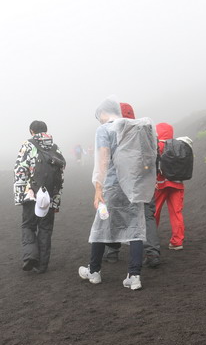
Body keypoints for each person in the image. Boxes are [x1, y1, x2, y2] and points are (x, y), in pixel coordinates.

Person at [78, 95, 156, 290]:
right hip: (134, 185)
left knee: (100, 227)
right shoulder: (134, 126)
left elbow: (103, 159)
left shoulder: (104, 129)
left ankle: (94, 271)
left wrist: (98, 187)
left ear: (104, 113)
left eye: (99, 116)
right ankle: (134, 276)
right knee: (135, 228)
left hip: (112, 186)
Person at [104, 102, 162, 268]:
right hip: (144, 180)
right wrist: (154, 177)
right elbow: (155, 153)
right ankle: (152, 252)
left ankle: (113, 251)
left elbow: (108, 159)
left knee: (115, 214)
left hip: (120, 182)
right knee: (146, 215)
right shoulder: (146, 128)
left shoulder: (113, 130)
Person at [14, 120, 66, 274]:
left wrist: (20, 196)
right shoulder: (55, 148)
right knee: (45, 228)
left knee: (28, 225)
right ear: (46, 131)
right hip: (49, 195)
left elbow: (20, 170)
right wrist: (56, 201)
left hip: (31, 193)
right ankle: (42, 265)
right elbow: (60, 176)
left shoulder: (27, 145)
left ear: (31, 131)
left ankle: (30, 256)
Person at [154, 122, 186, 250]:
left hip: (160, 184)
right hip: (177, 183)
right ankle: (177, 242)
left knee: (154, 212)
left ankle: (150, 241)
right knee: (176, 212)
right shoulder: (177, 145)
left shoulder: (156, 145)